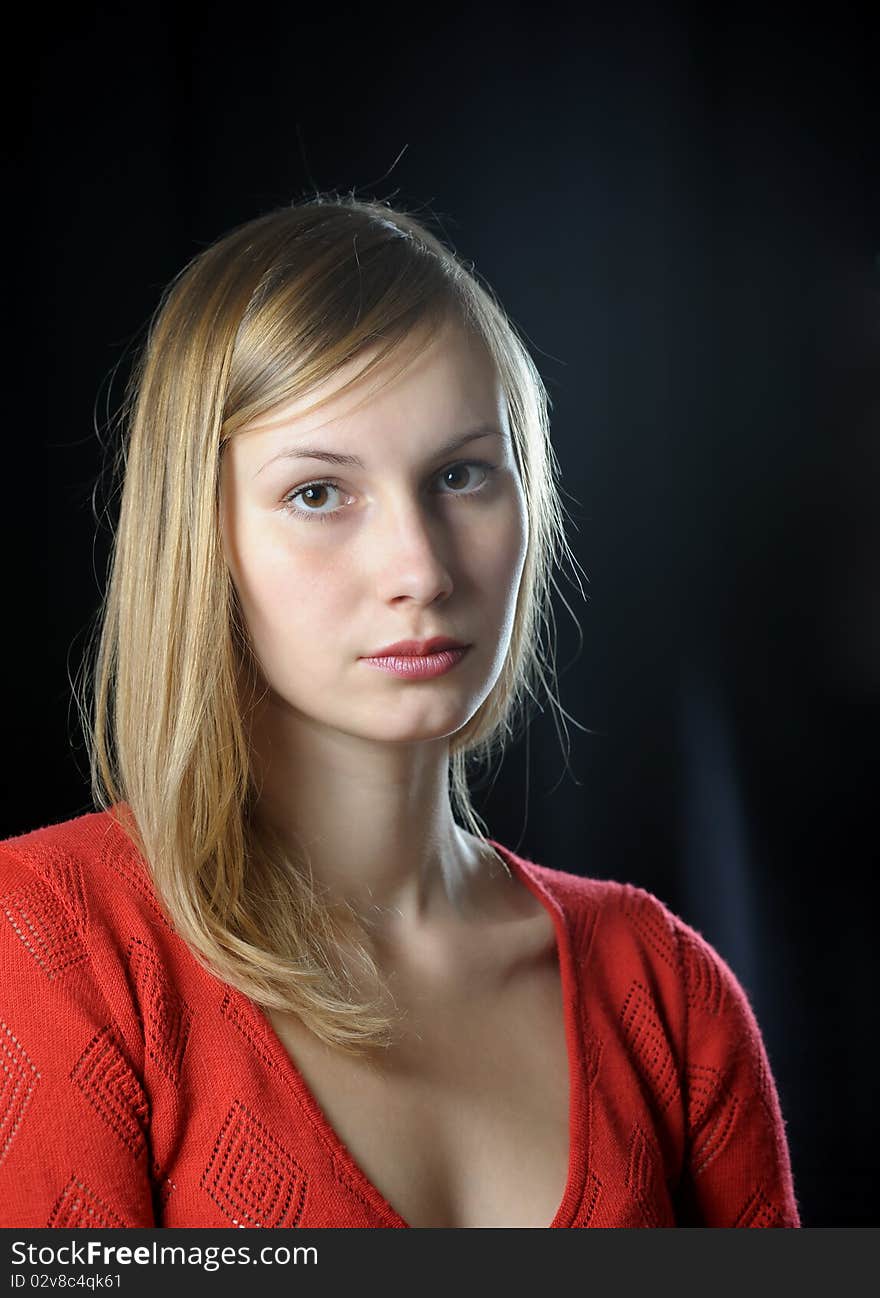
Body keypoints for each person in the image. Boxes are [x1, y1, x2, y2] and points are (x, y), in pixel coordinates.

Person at [0, 195, 800, 1229]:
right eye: (319, 493)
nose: (419, 568)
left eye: (462, 475)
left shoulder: (667, 989)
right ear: (202, 537)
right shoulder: (54, 939)